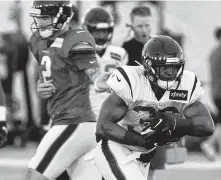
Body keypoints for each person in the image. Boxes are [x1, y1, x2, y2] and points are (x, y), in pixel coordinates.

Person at [94, 35, 214, 180]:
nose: (171, 72)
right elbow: (103, 125)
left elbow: (207, 125)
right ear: (149, 66)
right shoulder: (133, 81)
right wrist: (143, 141)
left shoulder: (185, 85)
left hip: (144, 157)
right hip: (116, 148)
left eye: (175, 67)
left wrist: (174, 123)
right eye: (165, 67)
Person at [26, 1, 102, 180]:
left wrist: (106, 81)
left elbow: (95, 75)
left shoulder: (76, 39)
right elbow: (50, 71)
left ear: (62, 15)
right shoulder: (37, 40)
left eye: (44, 17)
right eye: (38, 17)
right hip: (73, 124)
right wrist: (41, 86)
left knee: (34, 176)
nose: (40, 22)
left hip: (74, 122)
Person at [82, 7, 128, 115]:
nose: (101, 36)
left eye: (104, 31)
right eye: (97, 32)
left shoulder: (120, 54)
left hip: (111, 114)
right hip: (86, 114)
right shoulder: (79, 53)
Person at [200, 27, 221, 161]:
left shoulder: (213, 53)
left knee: (220, 121)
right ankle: (209, 144)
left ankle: (212, 146)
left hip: (215, 91)